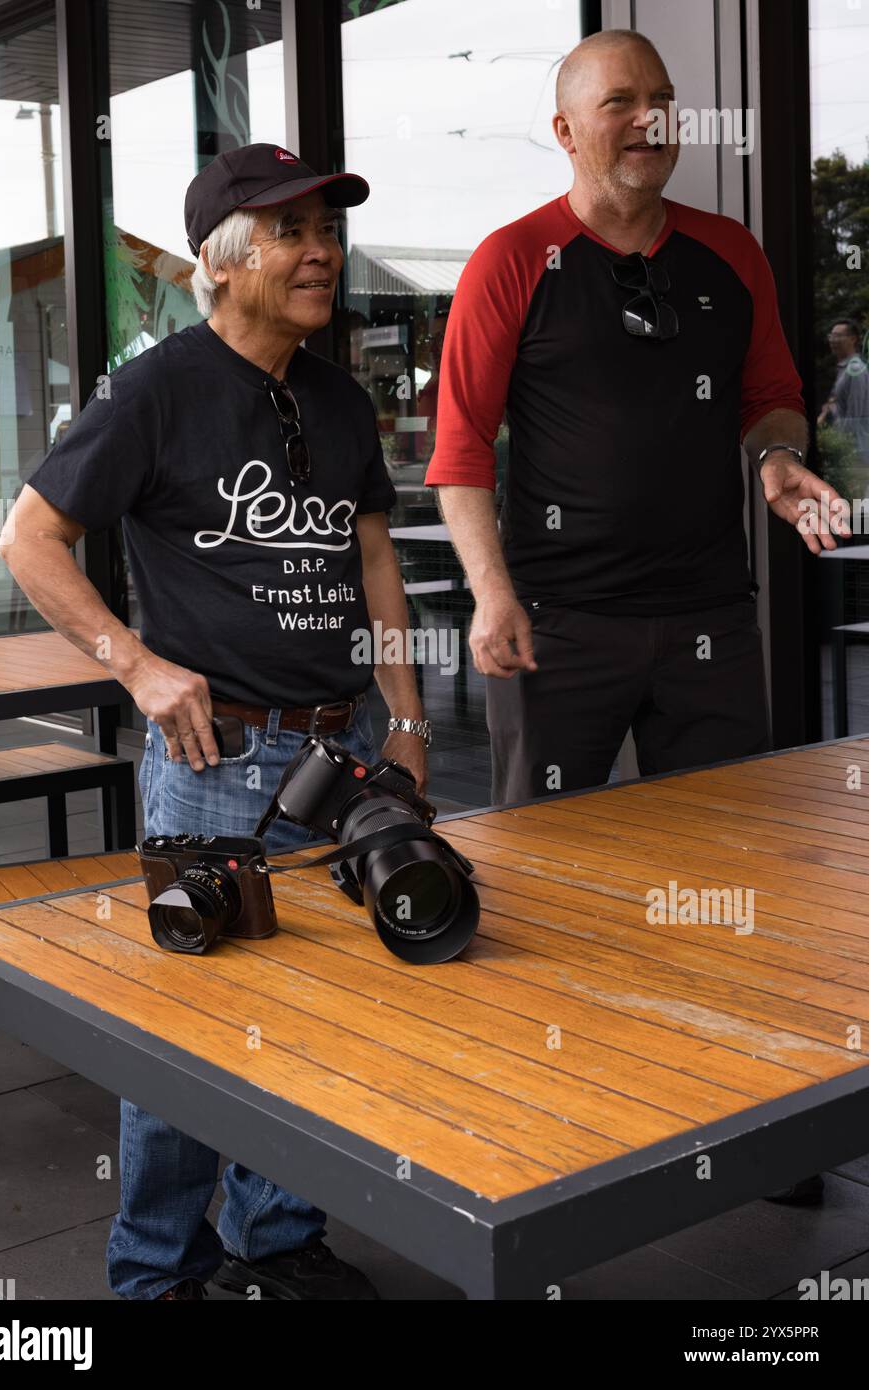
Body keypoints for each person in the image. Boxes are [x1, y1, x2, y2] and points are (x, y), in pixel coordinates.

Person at [0, 143, 431, 1298]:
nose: (321, 252)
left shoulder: (338, 393)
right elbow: (29, 539)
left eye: (325, 230)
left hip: (343, 752)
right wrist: (137, 667)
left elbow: (372, 553)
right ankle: (157, 1274)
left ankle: (277, 1246)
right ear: (221, 261)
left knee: (319, 1018)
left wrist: (407, 714)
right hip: (214, 763)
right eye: (291, 232)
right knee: (189, 1035)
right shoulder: (153, 390)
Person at [424, 30, 837, 1204]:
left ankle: (745, 1128)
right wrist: (493, 591)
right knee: (535, 884)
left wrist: (775, 465)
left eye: (662, 100)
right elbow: (459, 453)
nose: (649, 119)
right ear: (566, 130)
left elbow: (770, 401)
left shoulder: (728, 255)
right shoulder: (513, 260)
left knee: (726, 885)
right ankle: (532, 1120)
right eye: (621, 102)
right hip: (559, 625)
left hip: (710, 616)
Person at [818, 317, 869, 493]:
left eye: (838, 336)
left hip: (854, 454)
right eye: (831, 335)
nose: (833, 340)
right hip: (847, 453)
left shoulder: (855, 370)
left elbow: (856, 417)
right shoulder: (845, 369)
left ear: (853, 339)